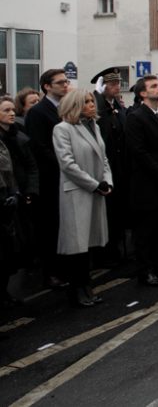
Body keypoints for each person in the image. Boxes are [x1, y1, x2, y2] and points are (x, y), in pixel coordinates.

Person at [51, 89, 112, 307]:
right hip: (77, 192)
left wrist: (107, 181)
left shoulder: (93, 125)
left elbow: (103, 158)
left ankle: (86, 287)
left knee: (88, 244)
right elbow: (67, 164)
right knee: (77, 245)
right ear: (75, 105)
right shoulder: (63, 129)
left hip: (95, 190)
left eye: (92, 101)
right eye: (86, 102)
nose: (92, 105)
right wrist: (94, 184)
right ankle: (77, 290)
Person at [125, 74, 158, 287]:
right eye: (154, 86)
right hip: (146, 182)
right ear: (143, 93)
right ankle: (145, 271)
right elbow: (138, 151)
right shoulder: (136, 117)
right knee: (145, 230)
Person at [25, 68, 72, 288]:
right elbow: (39, 146)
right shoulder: (38, 112)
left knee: (66, 224)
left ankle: (65, 267)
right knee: (50, 226)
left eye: (66, 81)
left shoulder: (68, 108)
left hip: (69, 176)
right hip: (51, 176)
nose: (65, 85)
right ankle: (51, 272)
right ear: (47, 86)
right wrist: (64, 162)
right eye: (60, 82)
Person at [0, 95, 37, 307]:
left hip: (19, 196)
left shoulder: (19, 135)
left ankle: (5, 292)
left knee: (14, 249)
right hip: (5, 199)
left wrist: (30, 190)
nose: (12, 113)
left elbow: (30, 166)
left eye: (12, 109)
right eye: (6, 110)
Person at [92, 67, 128, 265]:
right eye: (112, 84)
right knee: (107, 213)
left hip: (120, 166)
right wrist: (97, 95)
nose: (117, 87)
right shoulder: (99, 106)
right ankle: (106, 253)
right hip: (106, 167)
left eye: (118, 84)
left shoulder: (117, 106)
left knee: (118, 213)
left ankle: (118, 250)